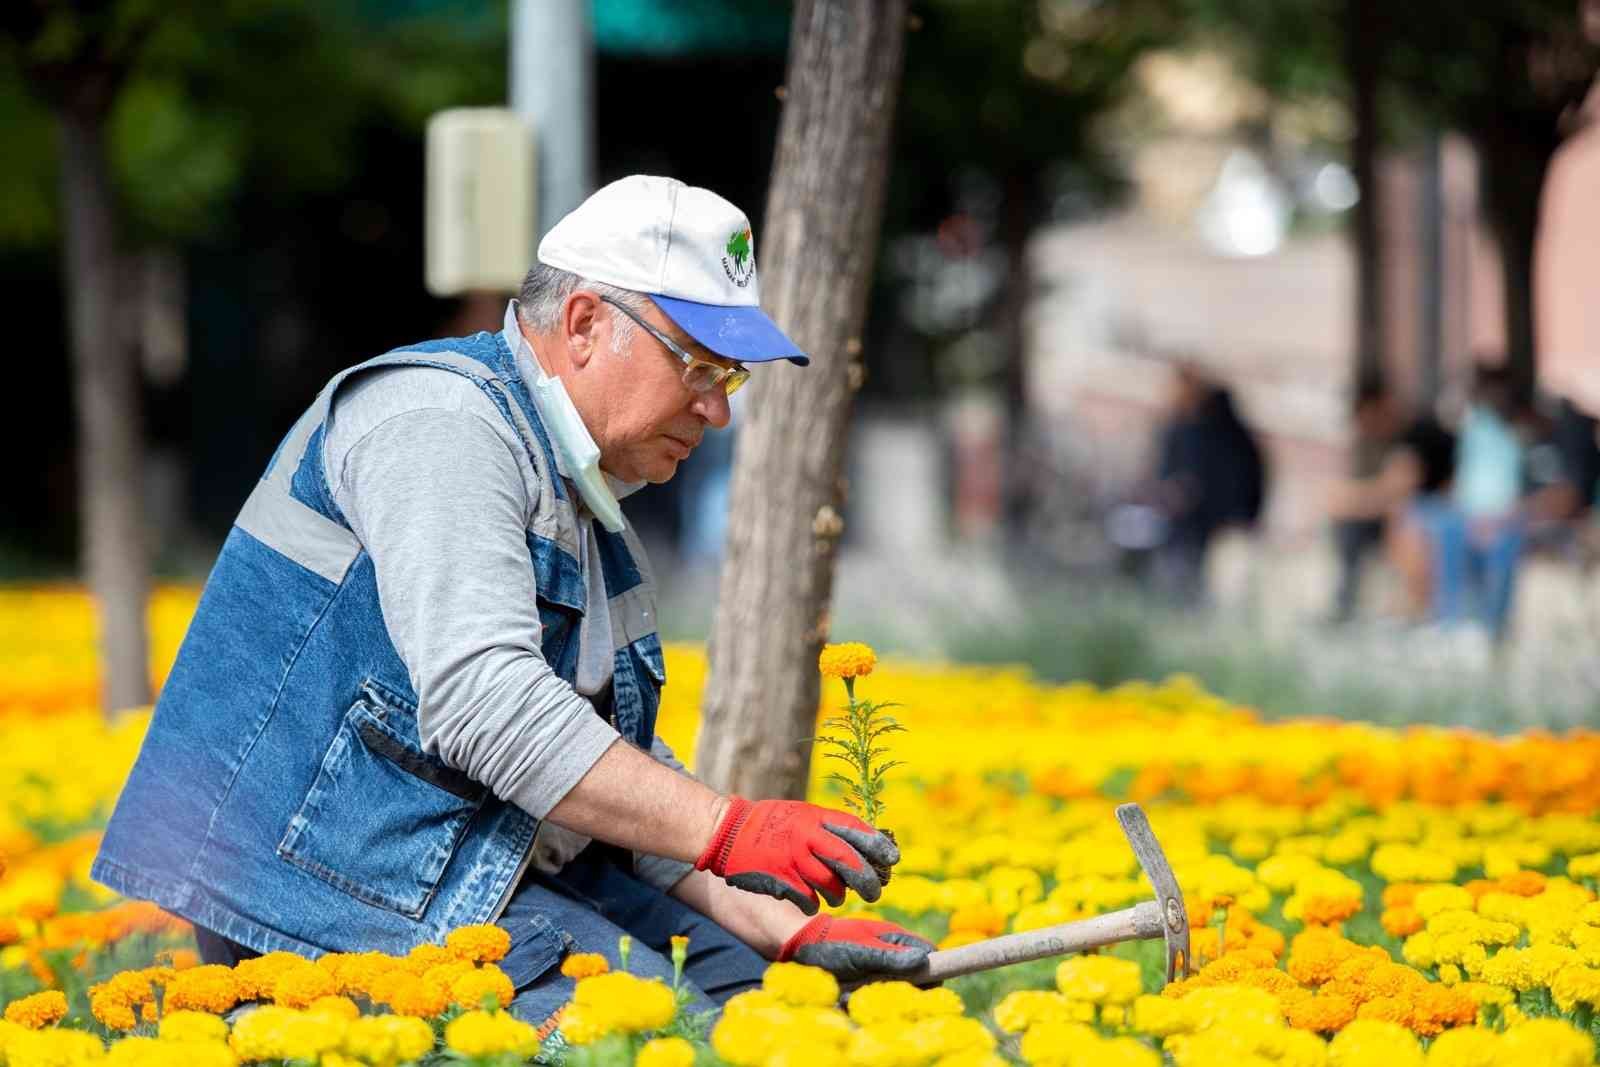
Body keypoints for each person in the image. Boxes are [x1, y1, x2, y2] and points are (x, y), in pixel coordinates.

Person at [90, 176, 933, 1026]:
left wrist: (778, 933)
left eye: (732, 379)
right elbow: (489, 707)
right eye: (698, 366)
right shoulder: (440, 423)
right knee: (684, 1037)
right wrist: (728, 826)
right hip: (325, 897)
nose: (716, 410)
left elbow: (591, 751)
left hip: (469, 872)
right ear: (583, 325)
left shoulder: (579, 485)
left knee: (788, 1017)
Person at [1147, 365, 1266, 605]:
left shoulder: (1220, 433)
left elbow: (1234, 480)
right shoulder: (1181, 428)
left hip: (1213, 524)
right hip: (1188, 524)